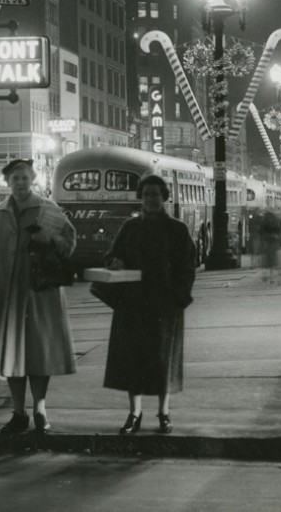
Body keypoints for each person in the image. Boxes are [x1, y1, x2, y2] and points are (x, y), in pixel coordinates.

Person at [0, 158, 76, 435]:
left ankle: (40, 408)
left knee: (39, 353)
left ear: (33, 181)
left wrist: (49, 241)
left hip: (40, 294)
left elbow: (70, 242)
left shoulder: (48, 210)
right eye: (15, 179)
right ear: (8, 182)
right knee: (12, 355)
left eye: (25, 178)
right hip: (7, 295)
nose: (20, 183)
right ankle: (19, 412)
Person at [103, 173, 196, 435]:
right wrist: (114, 262)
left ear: (164, 197)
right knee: (133, 360)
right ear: (141, 199)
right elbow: (112, 254)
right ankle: (134, 412)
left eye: (155, 195)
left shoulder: (177, 229)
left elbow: (188, 267)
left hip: (164, 305)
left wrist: (178, 297)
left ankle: (164, 413)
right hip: (133, 303)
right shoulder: (130, 228)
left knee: (163, 360)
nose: (151, 199)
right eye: (146, 195)